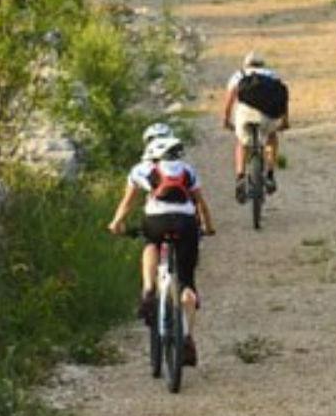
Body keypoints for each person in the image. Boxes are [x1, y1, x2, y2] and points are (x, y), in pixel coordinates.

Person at [108, 129, 214, 365]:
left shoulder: (141, 170)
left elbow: (127, 203)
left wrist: (117, 223)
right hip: (186, 224)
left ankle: (147, 290)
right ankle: (186, 335)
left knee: (151, 243)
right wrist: (208, 227)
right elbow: (201, 205)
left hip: (155, 221)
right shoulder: (188, 170)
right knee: (187, 283)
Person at [220, 51, 290, 197]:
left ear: (246, 64)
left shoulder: (239, 75)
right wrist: (284, 121)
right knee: (271, 137)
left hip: (245, 114)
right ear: (263, 64)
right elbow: (282, 98)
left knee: (241, 142)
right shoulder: (272, 75)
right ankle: (270, 174)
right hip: (267, 115)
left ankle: (240, 176)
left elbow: (229, 101)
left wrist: (226, 121)